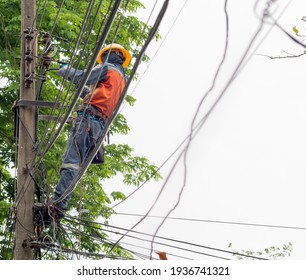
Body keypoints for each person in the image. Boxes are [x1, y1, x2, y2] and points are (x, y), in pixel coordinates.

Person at [49, 43, 131, 218]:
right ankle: (60, 204)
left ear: (108, 55)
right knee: (76, 165)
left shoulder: (107, 68)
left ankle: (58, 202)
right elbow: (100, 97)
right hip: (98, 127)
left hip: (88, 120)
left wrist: (66, 70)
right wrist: (84, 93)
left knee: (70, 161)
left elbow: (82, 77)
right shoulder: (122, 79)